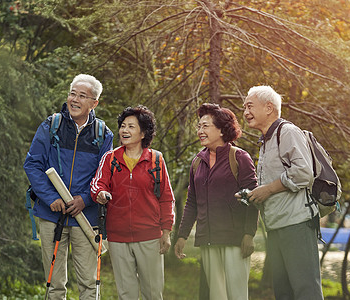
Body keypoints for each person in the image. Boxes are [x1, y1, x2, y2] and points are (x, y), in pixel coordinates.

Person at [23, 74, 114, 300]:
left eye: (82, 96)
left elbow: (105, 176)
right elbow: (33, 164)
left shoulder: (103, 134)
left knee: (89, 286)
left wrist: (85, 199)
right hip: (51, 214)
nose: (74, 99)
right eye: (72, 93)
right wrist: (50, 197)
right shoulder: (51, 125)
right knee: (54, 286)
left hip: (87, 219)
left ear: (94, 103)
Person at [241, 85, 323, 300]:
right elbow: (275, 186)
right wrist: (254, 195)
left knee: (306, 291)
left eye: (250, 106)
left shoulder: (287, 132)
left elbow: (304, 173)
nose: (245, 112)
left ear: (269, 108)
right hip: (276, 226)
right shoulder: (266, 140)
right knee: (284, 293)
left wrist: (267, 190)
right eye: (244, 107)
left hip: (296, 224)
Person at [174, 103, 259, 300]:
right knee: (216, 296)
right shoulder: (197, 162)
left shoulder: (239, 157)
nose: (200, 131)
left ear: (221, 129)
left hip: (234, 240)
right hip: (208, 240)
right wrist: (182, 235)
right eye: (198, 126)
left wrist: (249, 233)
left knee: (236, 295)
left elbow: (252, 197)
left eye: (205, 126)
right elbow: (192, 203)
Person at [90, 105, 175, 300]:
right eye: (123, 126)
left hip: (150, 236)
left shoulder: (156, 160)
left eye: (131, 127)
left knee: (152, 293)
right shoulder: (110, 158)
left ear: (143, 133)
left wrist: (167, 232)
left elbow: (166, 197)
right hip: (118, 237)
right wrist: (101, 193)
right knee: (126, 293)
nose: (124, 131)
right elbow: (97, 185)